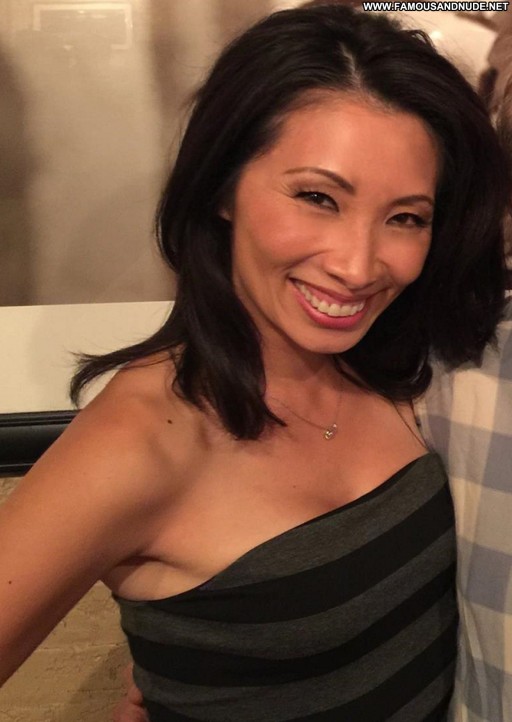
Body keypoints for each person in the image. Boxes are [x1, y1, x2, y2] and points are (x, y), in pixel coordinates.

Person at [0, 4, 509, 721]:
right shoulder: (141, 439)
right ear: (221, 187)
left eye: (405, 217)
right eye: (317, 197)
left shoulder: (393, 365)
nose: (359, 265)